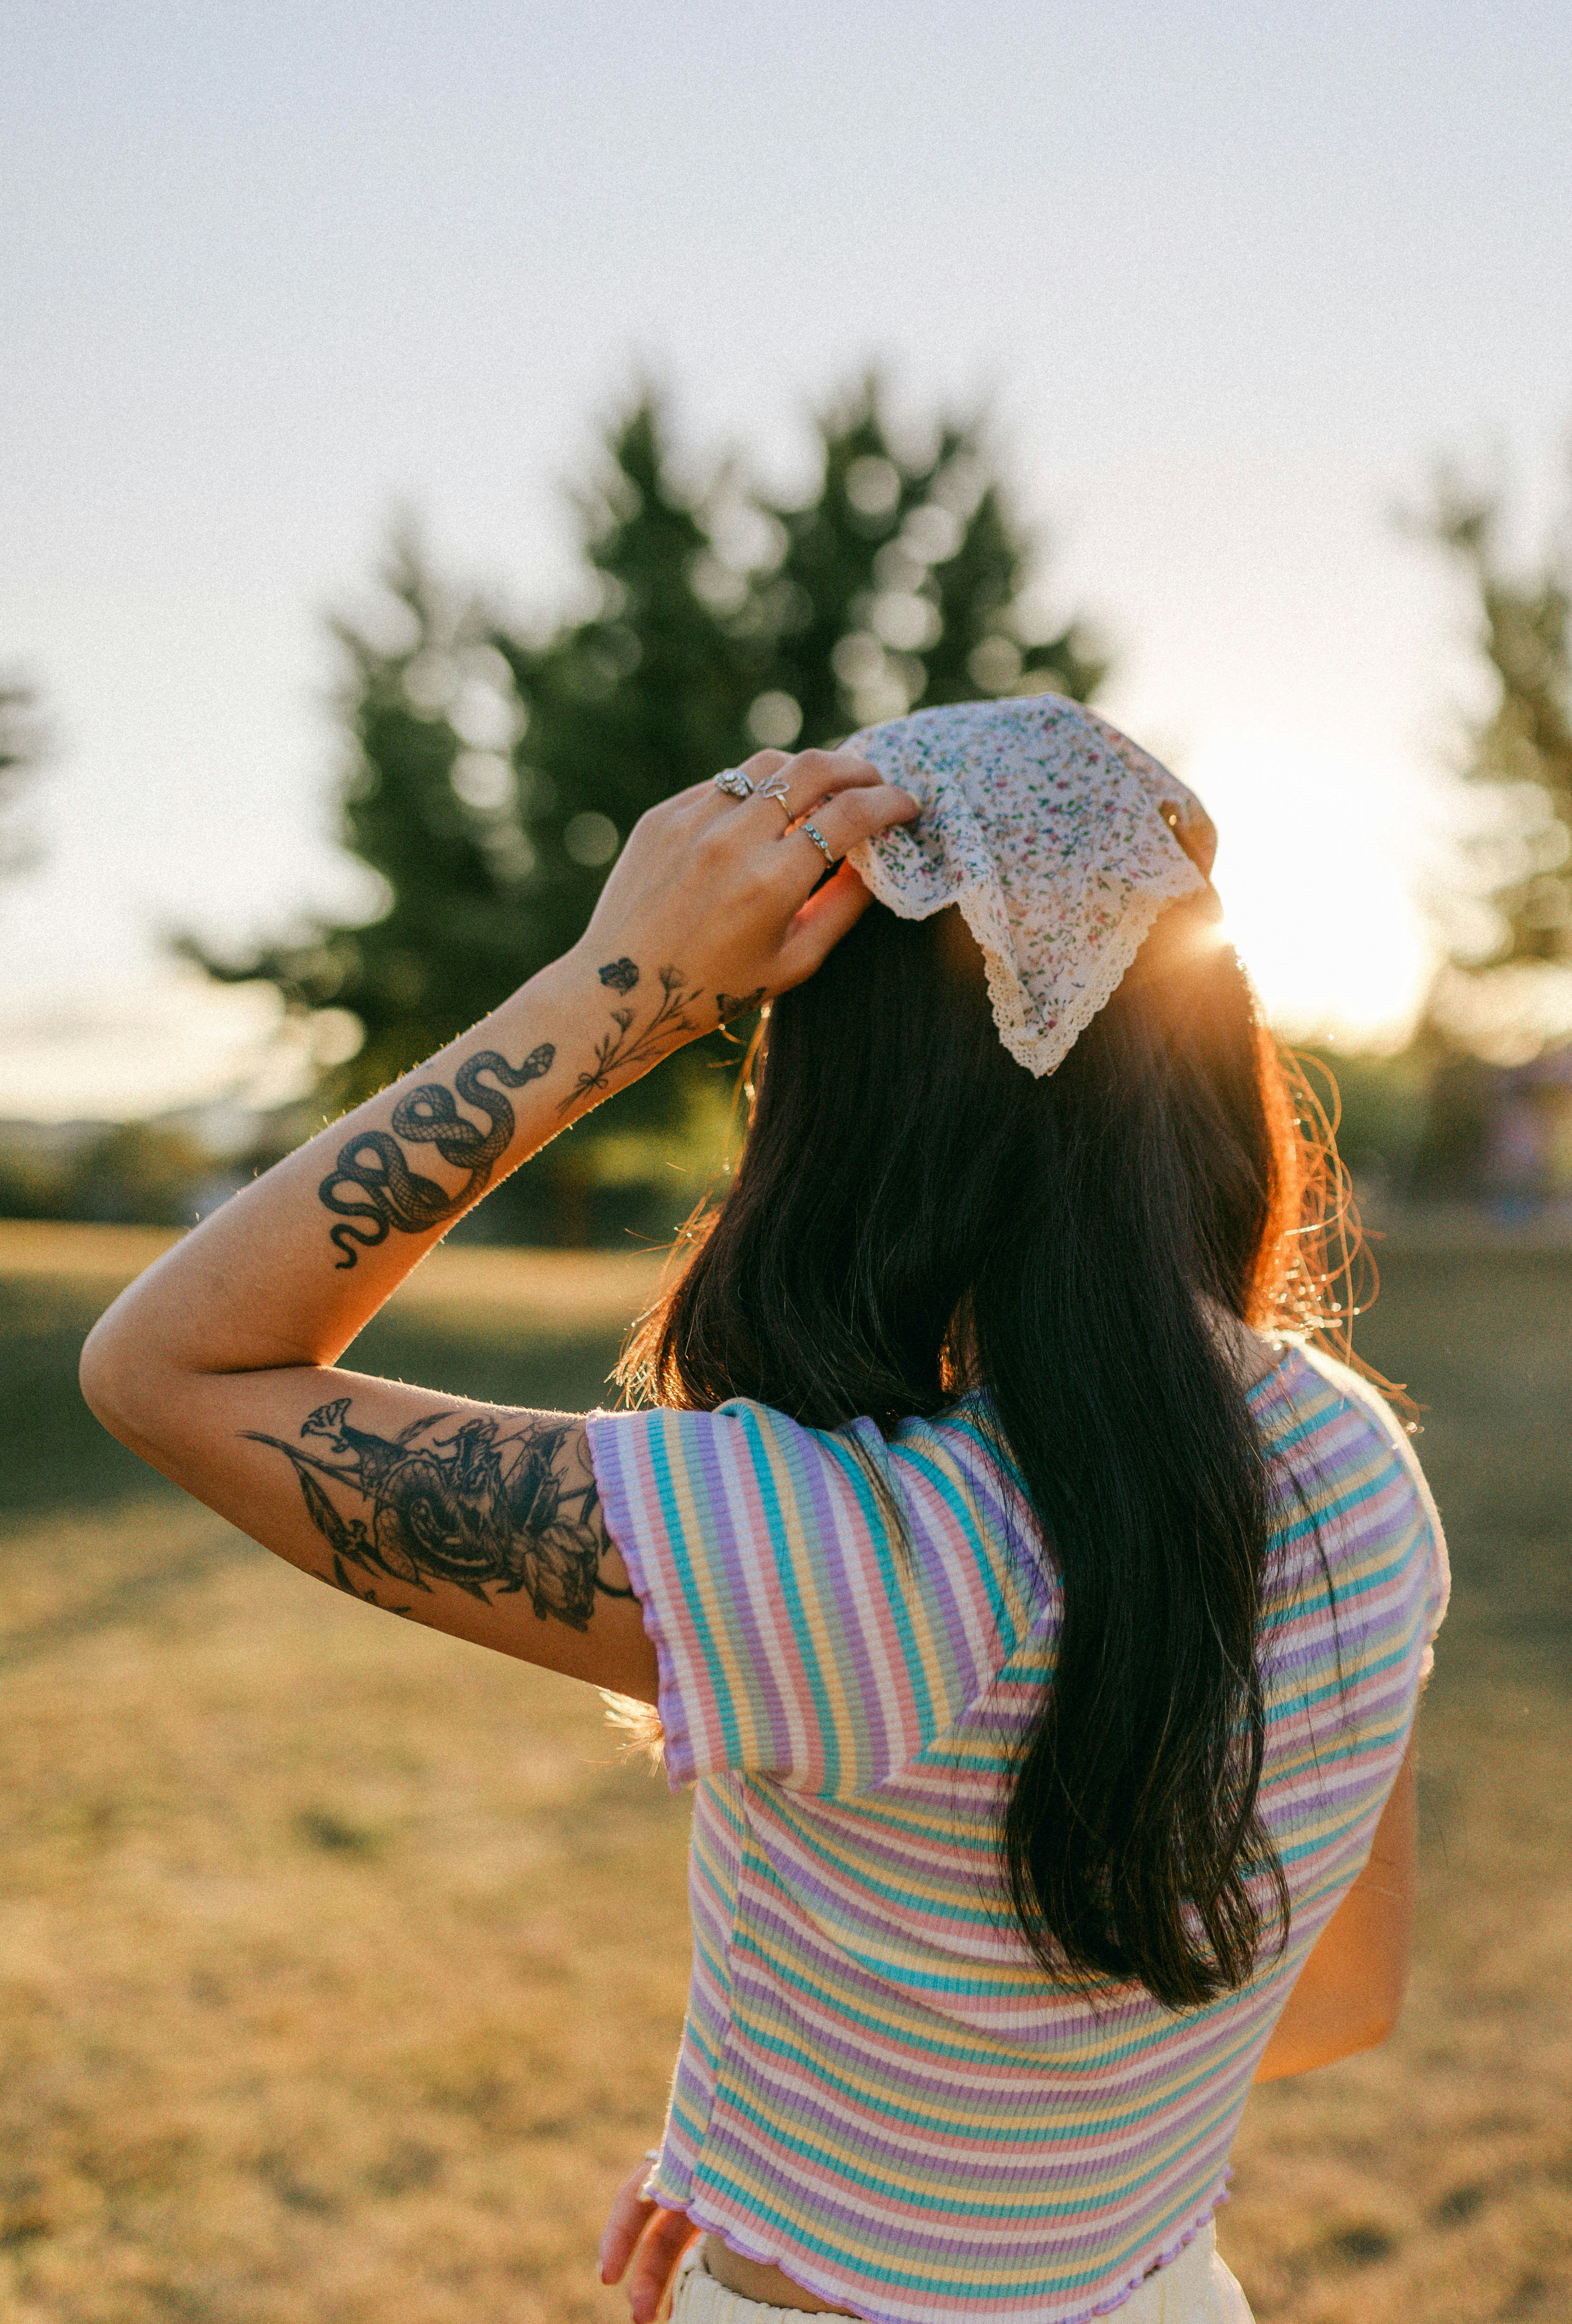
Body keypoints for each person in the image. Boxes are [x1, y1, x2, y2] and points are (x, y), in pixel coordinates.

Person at [83, 697, 1448, 2324]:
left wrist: (627, 981)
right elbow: (1330, 1995)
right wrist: (851, 2147)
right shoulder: (1352, 1455)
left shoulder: (853, 1554)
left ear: (849, 1098)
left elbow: (169, 1368)